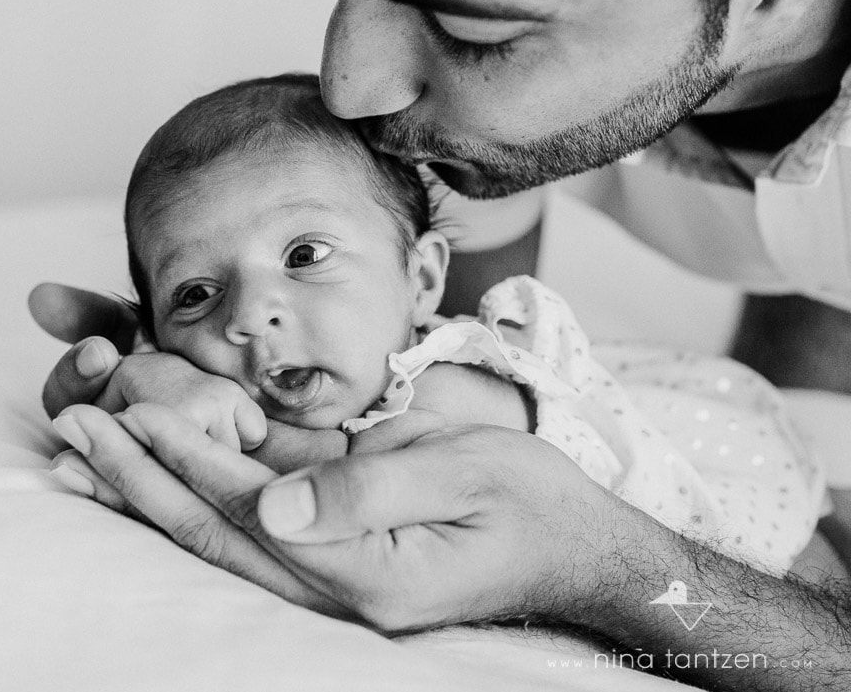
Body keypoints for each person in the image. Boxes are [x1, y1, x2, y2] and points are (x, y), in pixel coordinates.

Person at [33, 0, 851, 688]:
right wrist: (193, 380)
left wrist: (616, 572)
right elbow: (417, 362)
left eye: (472, 29)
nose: (349, 87)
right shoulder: (470, 125)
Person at [55, 72, 826, 576]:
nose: (251, 315)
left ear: (422, 279)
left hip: (741, 519)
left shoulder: (452, 385)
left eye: (305, 252)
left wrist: (162, 401)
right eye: (194, 294)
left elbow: (324, 474)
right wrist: (165, 374)